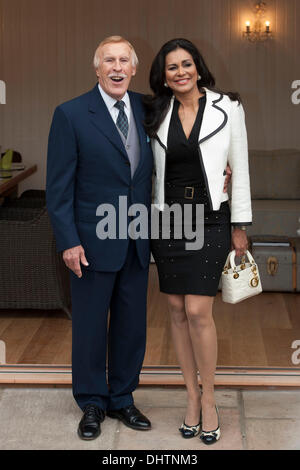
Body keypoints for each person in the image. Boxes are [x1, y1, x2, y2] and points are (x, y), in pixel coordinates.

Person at [144, 38, 252, 445]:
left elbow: (239, 165)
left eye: (186, 64)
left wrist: (240, 224)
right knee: (174, 308)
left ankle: (209, 398)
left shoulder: (229, 107)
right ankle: (190, 396)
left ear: (198, 66)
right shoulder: (154, 110)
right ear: (164, 76)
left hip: (211, 219)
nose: (181, 72)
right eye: (172, 67)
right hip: (168, 219)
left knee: (198, 310)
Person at [46, 36, 154, 440]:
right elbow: (59, 188)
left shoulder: (149, 109)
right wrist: (68, 241)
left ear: (133, 68)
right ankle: (92, 401)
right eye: (109, 60)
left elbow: (179, 146)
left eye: (124, 60)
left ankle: (123, 398)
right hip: (89, 243)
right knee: (90, 327)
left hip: (137, 239)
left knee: (132, 326)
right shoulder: (71, 114)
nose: (117, 67)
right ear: (97, 69)